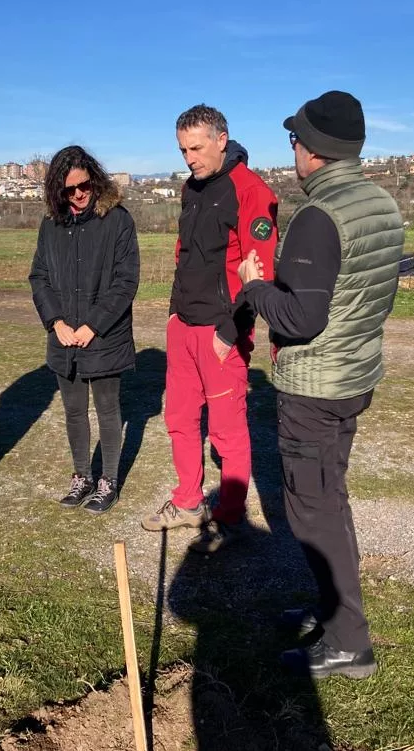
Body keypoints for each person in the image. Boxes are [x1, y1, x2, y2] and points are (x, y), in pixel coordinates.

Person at [236, 91, 404, 678]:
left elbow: (301, 318)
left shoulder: (318, 216)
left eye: (294, 141)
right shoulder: (380, 204)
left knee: (312, 512)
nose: (293, 153)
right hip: (355, 373)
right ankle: (334, 613)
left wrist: (255, 286)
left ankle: (348, 643)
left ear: (311, 149)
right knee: (330, 500)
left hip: (316, 385)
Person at [141, 104, 278, 553]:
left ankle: (231, 515)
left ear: (222, 140)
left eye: (196, 148)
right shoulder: (191, 188)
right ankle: (187, 502)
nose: (189, 159)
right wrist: (173, 313)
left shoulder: (251, 190)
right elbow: (184, 253)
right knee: (180, 419)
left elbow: (260, 271)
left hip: (222, 330)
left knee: (226, 429)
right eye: (183, 150)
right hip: (183, 324)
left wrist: (230, 331)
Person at [29, 146, 140, 514]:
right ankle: (82, 477)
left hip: (105, 335)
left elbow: (126, 281)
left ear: (96, 180)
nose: (78, 194)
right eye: (68, 189)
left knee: (108, 410)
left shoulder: (118, 220)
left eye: (84, 185)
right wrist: (56, 322)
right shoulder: (51, 224)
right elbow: (39, 277)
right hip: (63, 336)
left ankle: (108, 480)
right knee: (74, 410)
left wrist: (94, 324)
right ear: (57, 191)